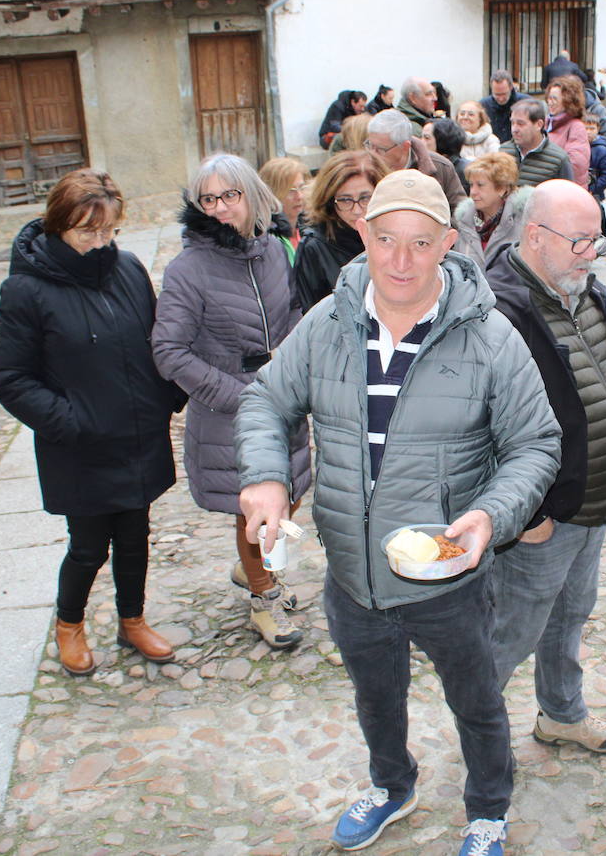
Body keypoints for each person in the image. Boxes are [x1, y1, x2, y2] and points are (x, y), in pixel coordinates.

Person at [234, 169, 561, 856]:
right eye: (386, 240)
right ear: (363, 235)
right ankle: (392, 785)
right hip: (354, 577)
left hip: (450, 575)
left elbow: (535, 444)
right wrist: (267, 477)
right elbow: (267, 400)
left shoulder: (491, 338)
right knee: (375, 697)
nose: (402, 261)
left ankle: (488, 810)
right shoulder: (326, 324)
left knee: (476, 702)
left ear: (449, 241)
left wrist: (492, 517)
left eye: (420, 242)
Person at [0, 169, 182, 676]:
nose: (100, 244)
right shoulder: (26, 291)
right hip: (80, 445)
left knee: (136, 536)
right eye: (86, 233)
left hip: (137, 432)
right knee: (89, 546)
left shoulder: (128, 269)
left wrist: (168, 394)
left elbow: (152, 342)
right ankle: (69, 624)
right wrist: (71, 421)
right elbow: (8, 376)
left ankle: (131, 619)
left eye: (109, 232)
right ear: (59, 228)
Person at [482, 180, 606, 756]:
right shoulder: (494, 313)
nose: (592, 252)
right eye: (579, 241)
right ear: (535, 237)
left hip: (592, 499)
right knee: (512, 632)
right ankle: (480, 734)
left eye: (596, 239)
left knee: (571, 613)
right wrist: (523, 512)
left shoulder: (595, 296)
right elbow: (474, 427)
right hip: (541, 516)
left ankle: (561, 714)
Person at [152, 154, 311, 652]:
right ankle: (264, 596)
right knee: (256, 510)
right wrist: (238, 396)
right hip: (230, 411)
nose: (220, 208)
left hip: (283, 398)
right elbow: (168, 351)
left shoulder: (277, 251)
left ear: (252, 196)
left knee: (291, 494)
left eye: (230, 195)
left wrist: (299, 369)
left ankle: (253, 571)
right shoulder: (188, 268)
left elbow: (296, 312)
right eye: (208, 198)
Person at [293, 150, 389, 310]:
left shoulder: (396, 236)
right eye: (345, 200)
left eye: (365, 198)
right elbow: (310, 316)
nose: (357, 210)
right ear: (330, 201)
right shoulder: (315, 248)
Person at [366, 108, 466, 213]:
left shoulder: (441, 167)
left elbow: (461, 214)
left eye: (380, 149)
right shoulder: (364, 168)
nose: (372, 153)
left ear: (405, 146)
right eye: (369, 145)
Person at [452, 151, 529, 269]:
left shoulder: (522, 221)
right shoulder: (464, 220)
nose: (473, 192)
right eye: (471, 185)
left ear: (502, 188)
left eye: (480, 185)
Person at [500, 98, 574, 188]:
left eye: (521, 124)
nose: (514, 129)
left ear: (539, 125)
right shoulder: (502, 152)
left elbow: (567, 196)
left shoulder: (558, 159)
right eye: (512, 123)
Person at [258, 156, 308, 263]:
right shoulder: (266, 240)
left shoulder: (309, 229)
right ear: (271, 194)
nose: (299, 196)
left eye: (301, 187)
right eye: (290, 190)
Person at [545, 75, 591, 189]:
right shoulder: (546, 123)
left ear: (568, 101)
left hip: (567, 192)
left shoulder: (576, 127)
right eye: (549, 98)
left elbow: (575, 165)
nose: (550, 102)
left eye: (554, 99)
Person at [583, 114, 606, 239]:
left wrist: (595, 188)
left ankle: (603, 236)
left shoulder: (601, 150)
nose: (589, 132)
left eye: (592, 128)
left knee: (598, 213)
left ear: (598, 129)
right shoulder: (579, 146)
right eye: (586, 128)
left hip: (594, 190)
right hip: (581, 188)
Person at [481, 69, 529, 147]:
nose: (500, 98)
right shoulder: (483, 106)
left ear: (511, 87)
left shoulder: (526, 103)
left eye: (504, 94)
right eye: (497, 94)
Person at [427, 117, 471, 193]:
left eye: (426, 138)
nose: (420, 142)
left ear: (442, 141)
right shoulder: (420, 165)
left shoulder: (465, 172)